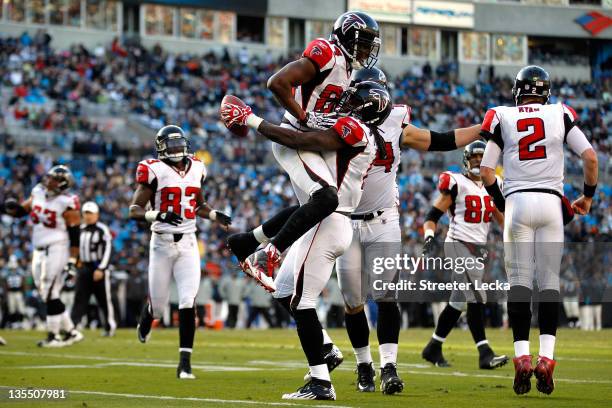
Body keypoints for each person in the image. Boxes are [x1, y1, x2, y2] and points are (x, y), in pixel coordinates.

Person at [221, 81, 391, 400]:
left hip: (329, 221)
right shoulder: (367, 134)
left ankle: (320, 382)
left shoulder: (355, 128)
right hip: (330, 220)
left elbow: (299, 139)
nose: (346, 102)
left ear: (367, 107)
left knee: (303, 302)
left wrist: (252, 120)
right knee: (285, 290)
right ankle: (325, 349)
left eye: (354, 99)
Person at [479, 65, 598, 395]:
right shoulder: (560, 113)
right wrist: (587, 198)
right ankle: (546, 359)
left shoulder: (501, 115)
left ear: (517, 90)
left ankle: (522, 360)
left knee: (518, 283)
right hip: (551, 204)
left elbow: (487, 170)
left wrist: (501, 202)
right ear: (546, 91)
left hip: (517, 201)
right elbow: (590, 158)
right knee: (548, 282)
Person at [128, 125, 231, 379]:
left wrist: (215, 215)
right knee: (161, 308)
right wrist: (158, 214)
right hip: (161, 243)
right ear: (161, 147)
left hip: (188, 243)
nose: (175, 149)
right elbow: (134, 210)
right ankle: (149, 313)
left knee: (188, 300)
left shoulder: (197, 167)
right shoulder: (154, 170)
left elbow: (199, 203)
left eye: (178, 143)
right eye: (170, 144)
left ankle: (185, 363)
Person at [420, 141, 508, 370]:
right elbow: (432, 215)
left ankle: (433, 347)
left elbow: (502, 218)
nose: (478, 161)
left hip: (477, 250)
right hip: (457, 244)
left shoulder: (494, 184)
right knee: (476, 296)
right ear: (466, 161)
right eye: (474, 157)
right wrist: (429, 235)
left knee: (457, 302)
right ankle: (484, 353)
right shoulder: (457, 183)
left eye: (482, 156)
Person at [0, 165, 84, 347]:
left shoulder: (68, 202)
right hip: (38, 249)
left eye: (53, 178)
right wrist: (11, 208)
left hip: (57, 248)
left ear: (62, 184)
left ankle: (54, 336)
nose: (48, 180)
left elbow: (75, 235)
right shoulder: (38, 191)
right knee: (46, 292)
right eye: (49, 177)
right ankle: (71, 331)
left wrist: (72, 260)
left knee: (50, 291)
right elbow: (24, 210)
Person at [71, 201, 116, 336]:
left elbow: (108, 249)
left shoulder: (102, 229)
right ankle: (72, 326)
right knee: (79, 298)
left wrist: (101, 268)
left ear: (97, 215)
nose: (88, 216)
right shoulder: (80, 229)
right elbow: (76, 249)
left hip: (97, 268)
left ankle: (109, 327)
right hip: (83, 268)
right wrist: (76, 264)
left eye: (91, 213)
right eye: (86, 213)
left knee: (103, 300)